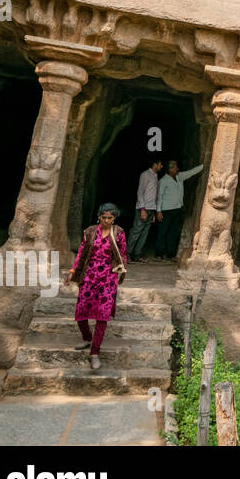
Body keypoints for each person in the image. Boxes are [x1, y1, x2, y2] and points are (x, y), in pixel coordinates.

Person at [65, 202, 127, 370]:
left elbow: (122, 254)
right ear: (99, 217)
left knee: (102, 315)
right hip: (89, 275)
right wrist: (72, 271)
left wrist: (120, 271)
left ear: (114, 218)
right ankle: (87, 337)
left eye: (110, 218)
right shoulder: (90, 232)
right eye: (104, 217)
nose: (106, 220)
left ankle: (95, 352)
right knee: (81, 310)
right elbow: (81, 252)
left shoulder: (119, 233)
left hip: (108, 277)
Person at [153, 158, 203, 260]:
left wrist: (204, 165)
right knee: (163, 232)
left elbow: (192, 172)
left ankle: (171, 254)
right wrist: (158, 211)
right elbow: (159, 196)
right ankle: (159, 254)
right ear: (170, 169)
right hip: (166, 210)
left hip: (177, 209)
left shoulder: (179, 176)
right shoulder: (163, 181)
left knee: (173, 233)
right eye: (176, 167)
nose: (178, 168)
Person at [130, 157, 162, 262]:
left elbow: (153, 195)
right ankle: (126, 254)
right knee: (136, 231)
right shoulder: (145, 175)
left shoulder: (155, 175)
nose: (161, 166)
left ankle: (137, 255)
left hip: (150, 208)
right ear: (154, 164)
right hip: (142, 208)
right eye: (160, 164)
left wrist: (153, 212)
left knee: (144, 233)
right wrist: (142, 209)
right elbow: (140, 192)